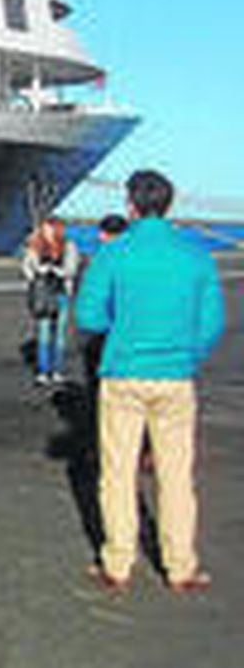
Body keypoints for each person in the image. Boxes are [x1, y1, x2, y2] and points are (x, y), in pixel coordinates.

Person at [77, 171, 224, 594]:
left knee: (118, 472)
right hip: (176, 375)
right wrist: (187, 354)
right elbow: (211, 323)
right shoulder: (196, 255)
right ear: (169, 204)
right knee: (177, 474)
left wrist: (121, 329)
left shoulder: (114, 253)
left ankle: (118, 562)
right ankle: (181, 566)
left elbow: (89, 316)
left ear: (131, 205)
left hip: (124, 372)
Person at [21, 217, 80, 386]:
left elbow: (72, 269)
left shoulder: (69, 246)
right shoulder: (35, 246)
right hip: (43, 293)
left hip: (61, 293)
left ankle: (58, 370)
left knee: (60, 334)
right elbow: (26, 267)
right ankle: (43, 371)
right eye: (45, 228)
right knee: (44, 333)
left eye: (50, 228)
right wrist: (38, 273)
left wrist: (58, 271)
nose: (47, 231)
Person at [79, 214, 129, 391]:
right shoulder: (142, 256)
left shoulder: (102, 259)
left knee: (101, 384)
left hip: (105, 332)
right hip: (138, 334)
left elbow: (90, 304)